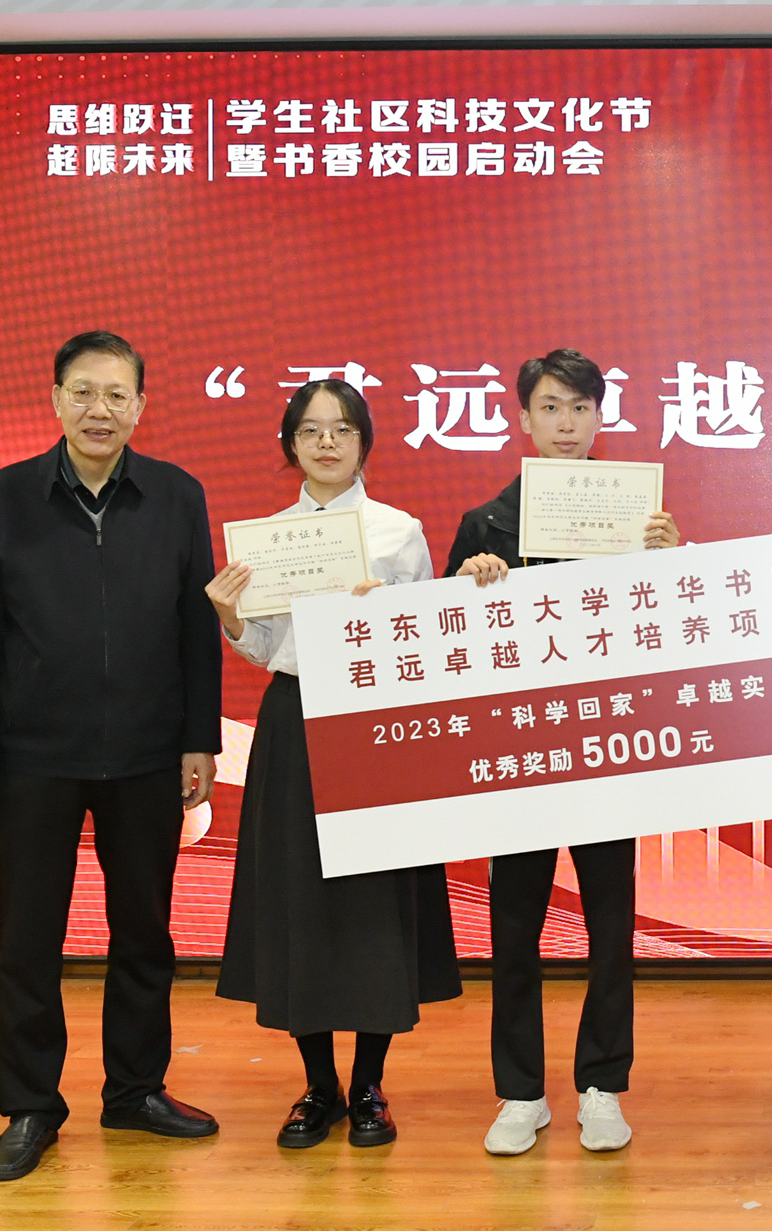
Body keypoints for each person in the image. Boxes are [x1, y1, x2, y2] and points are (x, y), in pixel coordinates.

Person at [0, 330, 222, 1182]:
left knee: (144, 932)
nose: (100, 409)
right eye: (83, 391)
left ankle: (135, 1089)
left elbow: (196, 627)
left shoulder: (177, 495)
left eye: (116, 394)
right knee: (28, 939)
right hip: (33, 757)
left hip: (148, 753)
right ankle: (32, 1104)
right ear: (56, 399)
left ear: (141, 405)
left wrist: (199, 738)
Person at [208, 379, 461, 1150]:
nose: (326, 442)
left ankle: (370, 1085)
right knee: (301, 902)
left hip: (374, 722)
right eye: (311, 430)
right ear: (291, 445)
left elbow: (428, 639)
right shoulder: (267, 538)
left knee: (375, 905)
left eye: (341, 429)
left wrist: (386, 618)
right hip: (294, 718)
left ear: (363, 442)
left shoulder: (397, 530)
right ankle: (318, 1086)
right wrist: (229, 615)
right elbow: (264, 648)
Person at [446, 349, 677, 1159]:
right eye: (551, 407)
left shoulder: (638, 521)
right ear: (524, 418)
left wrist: (669, 562)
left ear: (600, 417)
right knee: (514, 929)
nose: (567, 423)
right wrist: (468, 587)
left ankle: (602, 1086)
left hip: (607, 748)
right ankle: (521, 1092)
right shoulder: (485, 525)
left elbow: (669, 635)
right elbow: (448, 651)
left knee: (611, 926)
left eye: (580, 408)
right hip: (520, 757)